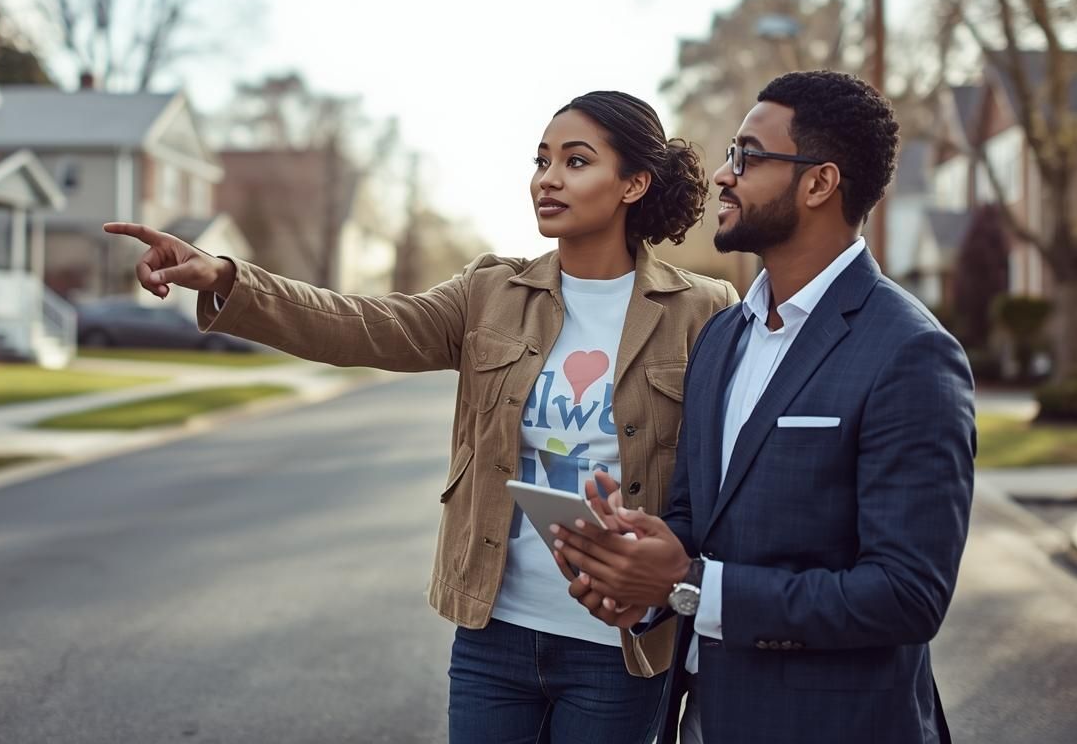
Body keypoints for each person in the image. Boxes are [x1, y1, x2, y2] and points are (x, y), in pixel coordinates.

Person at [103, 90, 739, 744]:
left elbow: (721, 479)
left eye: (576, 162)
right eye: (541, 159)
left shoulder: (704, 309)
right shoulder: (491, 292)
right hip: (496, 632)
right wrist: (225, 278)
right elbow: (360, 327)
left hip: (622, 646)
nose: (547, 178)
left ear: (634, 183)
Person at [551, 71, 975, 744]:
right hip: (702, 719)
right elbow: (697, 520)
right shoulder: (723, 335)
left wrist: (689, 584)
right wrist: (639, 575)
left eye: (746, 156)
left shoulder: (910, 353)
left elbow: (906, 595)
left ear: (818, 183)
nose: (722, 174)